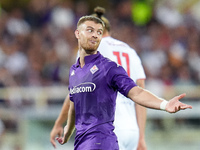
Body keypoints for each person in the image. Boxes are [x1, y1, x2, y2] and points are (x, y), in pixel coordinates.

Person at [55, 15, 192, 150]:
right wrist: (67, 132)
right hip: (82, 143)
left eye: (99, 32)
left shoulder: (108, 67)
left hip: (103, 142)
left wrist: (165, 104)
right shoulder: (75, 71)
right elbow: (75, 105)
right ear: (77, 33)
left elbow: (137, 92)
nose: (96, 35)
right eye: (90, 30)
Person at [50, 6, 147, 150]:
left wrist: (59, 123)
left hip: (107, 128)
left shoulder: (91, 48)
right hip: (131, 129)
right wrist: (141, 136)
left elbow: (76, 93)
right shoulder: (130, 51)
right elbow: (141, 96)